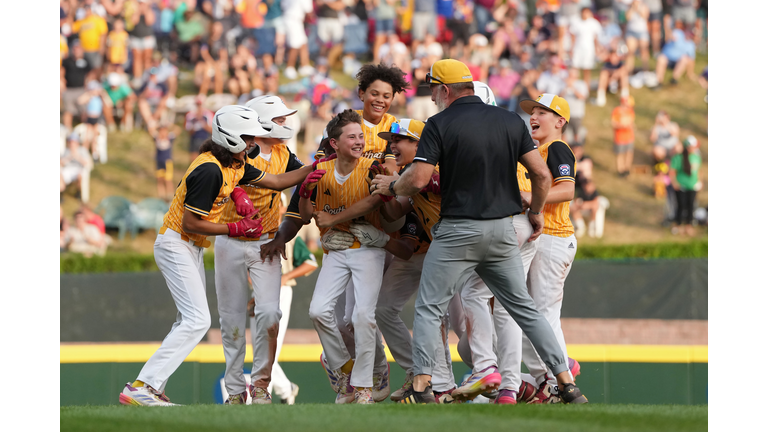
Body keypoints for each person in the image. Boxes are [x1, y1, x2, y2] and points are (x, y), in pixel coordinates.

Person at [370, 59, 587, 404]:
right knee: (524, 310)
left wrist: (396, 183)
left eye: (433, 91)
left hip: (458, 230)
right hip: (503, 231)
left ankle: (425, 385)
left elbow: (421, 178)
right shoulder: (508, 121)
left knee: (429, 308)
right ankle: (565, 382)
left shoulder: (439, 123)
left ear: (444, 90)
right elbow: (542, 177)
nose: (432, 99)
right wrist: (534, 212)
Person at [118, 105, 322, 406]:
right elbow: (190, 222)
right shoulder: (210, 168)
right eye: (248, 137)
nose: (253, 143)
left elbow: (278, 182)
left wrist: (318, 165)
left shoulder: (232, 163)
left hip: (189, 246)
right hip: (177, 243)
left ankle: (151, 386)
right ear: (232, 138)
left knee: (187, 320)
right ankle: (142, 386)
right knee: (198, 320)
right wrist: (234, 226)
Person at [298, 110, 414, 404]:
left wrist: (332, 221)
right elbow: (306, 216)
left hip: (368, 249)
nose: (360, 140)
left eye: (361, 135)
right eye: (352, 136)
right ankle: (343, 367)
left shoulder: (372, 167)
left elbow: (376, 201)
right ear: (334, 144)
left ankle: (363, 387)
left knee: (362, 316)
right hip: (335, 250)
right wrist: (304, 195)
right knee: (318, 311)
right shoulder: (320, 170)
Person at [213, 96, 309, 405]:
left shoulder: (283, 152)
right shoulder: (242, 151)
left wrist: (322, 165)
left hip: (265, 242)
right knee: (230, 322)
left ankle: (261, 385)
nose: (284, 123)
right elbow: (235, 181)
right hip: (229, 240)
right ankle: (236, 391)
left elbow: (300, 181)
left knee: (270, 312)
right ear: (263, 120)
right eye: (279, 118)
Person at [517, 94, 579, 403]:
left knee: (542, 314)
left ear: (560, 121)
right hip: (543, 239)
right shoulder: (535, 151)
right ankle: (550, 380)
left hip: (554, 238)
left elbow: (567, 188)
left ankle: (559, 381)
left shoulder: (556, 147)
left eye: (543, 111)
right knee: (528, 315)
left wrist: (531, 198)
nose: (534, 116)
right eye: (532, 111)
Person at [247, 192, 319, 405]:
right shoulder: (254, 233)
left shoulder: (290, 235)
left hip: (281, 292)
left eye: (277, 202)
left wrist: (285, 277)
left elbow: (311, 262)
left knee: (270, 344)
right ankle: (285, 388)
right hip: (259, 293)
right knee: (258, 348)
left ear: (282, 208)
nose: (273, 205)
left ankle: (264, 392)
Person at [669, 136, 701, 236]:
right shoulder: (678, 157)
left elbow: (699, 171)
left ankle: (689, 225)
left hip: (692, 186)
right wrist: (674, 183)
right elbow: (672, 171)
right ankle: (677, 224)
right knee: (680, 205)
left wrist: (699, 181)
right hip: (681, 186)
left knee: (691, 206)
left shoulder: (696, 157)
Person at [61, 42, 93, 132]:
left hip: (81, 89)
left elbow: (90, 73)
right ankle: (68, 130)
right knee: (68, 111)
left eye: (78, 49)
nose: (76, 51)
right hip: (69, 89)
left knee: (84, 111)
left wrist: (87, 84)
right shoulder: (67, 61)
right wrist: (62, 82)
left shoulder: (86, 61)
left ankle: (85, 130)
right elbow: (62, 72)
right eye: (75, 49)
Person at [568, 7, 602, 88]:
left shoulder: (594, 23)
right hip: (578, 48)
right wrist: (571, 49)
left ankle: (586, 88)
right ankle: (574, 87)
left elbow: (596, 38)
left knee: (587, 69)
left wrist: (597, 48)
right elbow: (573, 37)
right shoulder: (576, 22)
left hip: (589, 49)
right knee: (575, 69)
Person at [72, 4, 108, 74]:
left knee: (96, 67)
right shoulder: (81, 21)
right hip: (84, 49)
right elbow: (72, 28)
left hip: (95, 48)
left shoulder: (98, 19)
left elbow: (103, 33)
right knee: (86, 69)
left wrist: (102, 46)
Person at [149, 122, 181, 202]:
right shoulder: (157, 138)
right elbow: (150, 130)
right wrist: (156, 125)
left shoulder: (170, 137)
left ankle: (170, 196)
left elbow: (178, 130)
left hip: (167, 161)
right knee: (160, 179)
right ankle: (161, 196)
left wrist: (171, 125)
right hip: (158, 161)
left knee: (168, 180)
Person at [60, 133, 94, 203]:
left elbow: (88, 164)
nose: (72, 144)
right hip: (67, 169)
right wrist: (69, 157)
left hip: (79, 169)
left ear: (77, 143)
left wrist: (77, 156)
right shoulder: (66, 151)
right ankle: (61, 193)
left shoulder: (82, 150)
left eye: (74, 142)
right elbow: (60, 162)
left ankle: (79, 192)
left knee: (80, 176)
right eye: (71, 142)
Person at [129, 0, 157, 80]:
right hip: (136, 38)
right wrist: (138, 10)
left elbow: (149, 21)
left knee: (147, 59)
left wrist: (146, 9)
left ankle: (146, 78)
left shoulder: (150, 10)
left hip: (147, 38)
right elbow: (134, 21)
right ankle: (137, 78)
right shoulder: (134, 10)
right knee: (137, 60)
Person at [611, 95, 635, 176]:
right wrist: (622, 126)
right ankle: (620, 170)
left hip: (629, 136)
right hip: (620, 137)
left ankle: (627, 168)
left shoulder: (630, 111)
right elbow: (614, 124)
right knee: (620, 154)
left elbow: (631, 122)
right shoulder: (617, 111)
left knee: (629, 153)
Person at [185, 95, 214, 162]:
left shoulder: (208, 114)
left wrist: (201, 121)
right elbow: (189, 131)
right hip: (194, 139)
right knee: (194, 159)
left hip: (205, 138)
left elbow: (212, 130)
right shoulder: (190, 115)